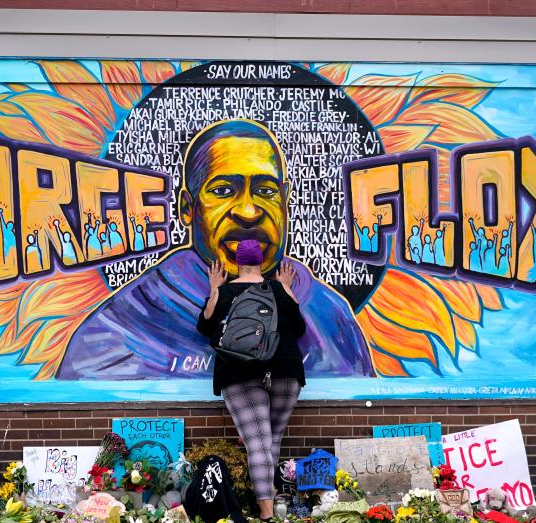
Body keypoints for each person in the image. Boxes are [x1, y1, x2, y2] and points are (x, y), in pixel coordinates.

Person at [57, 119, 372, 380]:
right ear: (187, 208)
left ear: (285, 201)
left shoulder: (331, 317)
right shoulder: (118, 330)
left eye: (266, 190)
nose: (249, 211)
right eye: (223, 191)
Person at [197, 240, 304, 520]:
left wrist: (214, 289)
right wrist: (286, 287)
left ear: (236, 261)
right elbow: (300, 328)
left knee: (257, 442)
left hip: (240, 372)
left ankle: (267, 515)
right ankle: (273, 506)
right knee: (272, 440)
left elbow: (205, 327)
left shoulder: (223, 292)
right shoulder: (280, 290)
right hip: (285, 370)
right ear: (262, 261)